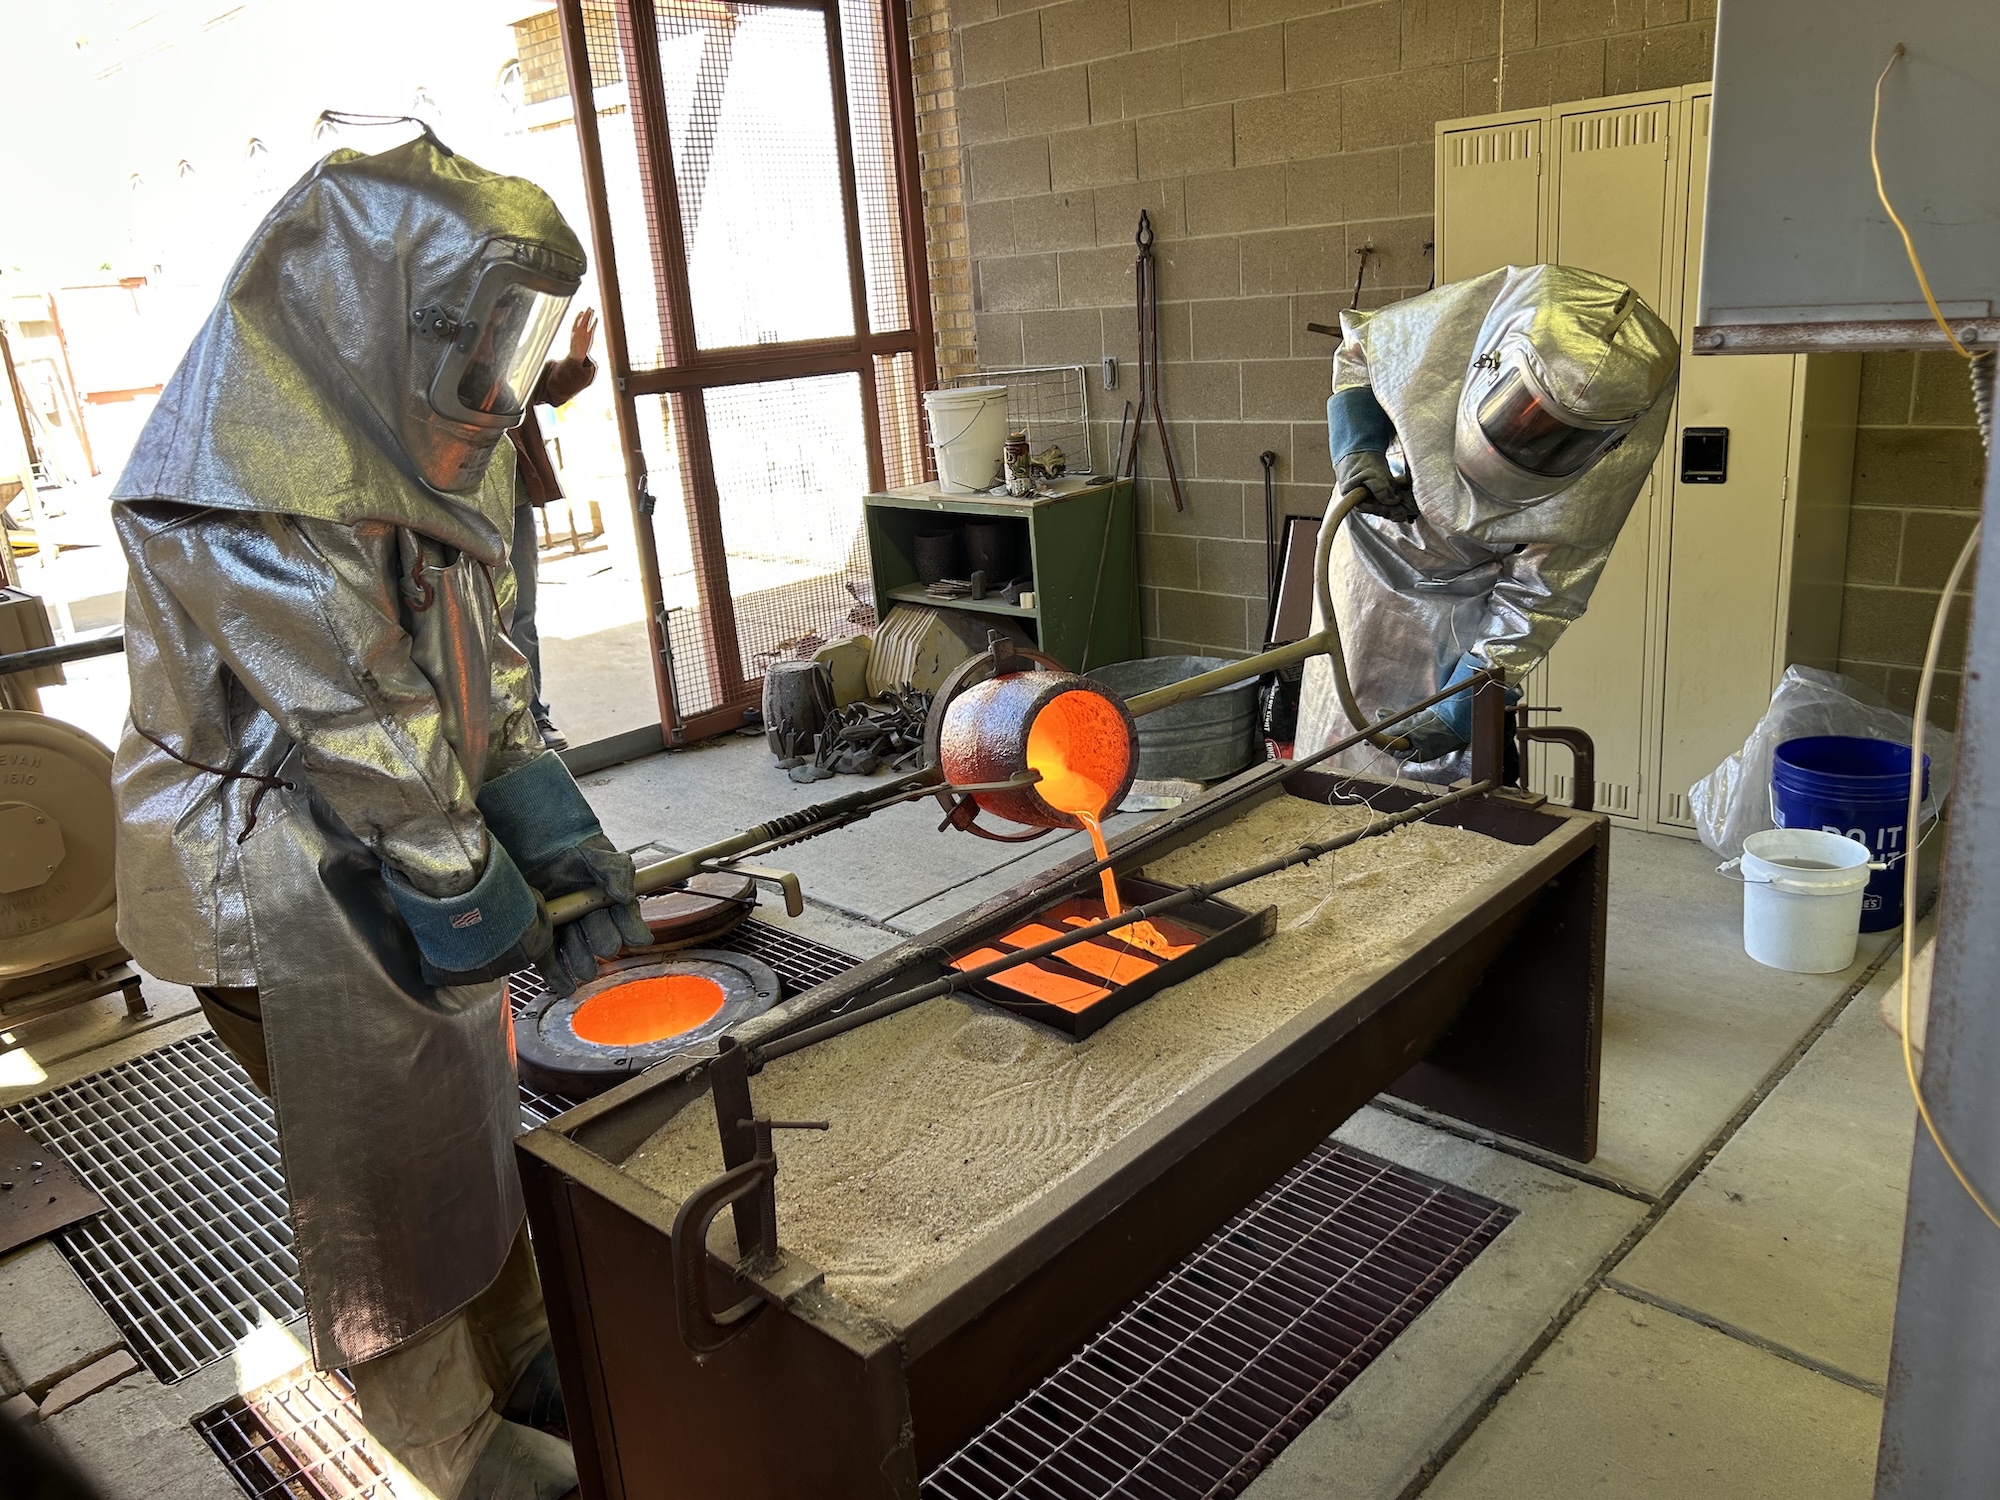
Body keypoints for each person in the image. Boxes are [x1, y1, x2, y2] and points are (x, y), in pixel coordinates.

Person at [109, 131, 649, 1500]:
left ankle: (518, 1348)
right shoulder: (244, 480)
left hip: (399, 842)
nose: (502, 372)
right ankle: (445, 1443)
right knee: (381, 1168)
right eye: (488, 331)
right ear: (387, 314)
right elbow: (362, 715)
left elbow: (488, 667)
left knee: (468, 1106)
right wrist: (474, 873)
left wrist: (550, 824)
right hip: (270, 880)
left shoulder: (436, 454)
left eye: (525, 332)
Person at [1294, 263, 1680, 778]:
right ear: (1492, 362)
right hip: (1364, 549)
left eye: (1562, 436)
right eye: (1526, 411)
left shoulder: (1597, 480)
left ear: (1612, 439)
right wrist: (1358, 445)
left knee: (1433, 778)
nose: (1532, 439)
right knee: (1333, 734)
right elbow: (1366, 349)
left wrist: (1465, 702)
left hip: (1459, 608)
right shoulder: (1471, 323)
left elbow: (1541, 595)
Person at [507, 309, 599, 752]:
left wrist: (576, 357)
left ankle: (532, 715)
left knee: (521, 612)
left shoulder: (506, 351)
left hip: (513, 501)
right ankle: (489, 724)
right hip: (454, 507)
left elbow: (552, 385)